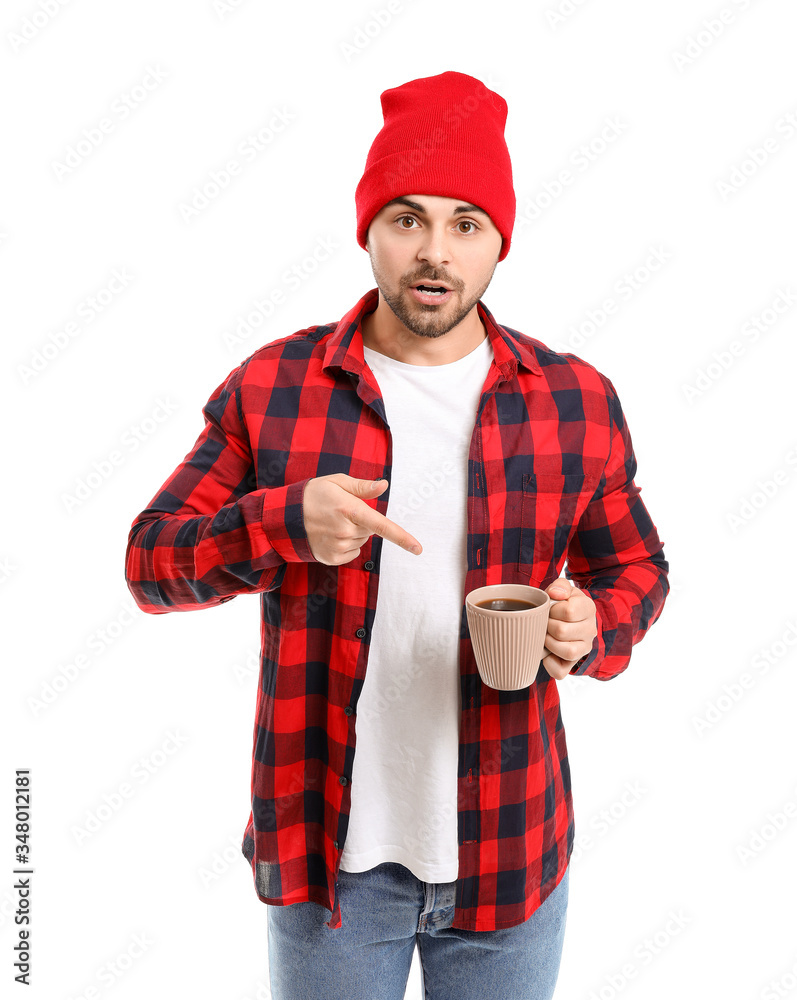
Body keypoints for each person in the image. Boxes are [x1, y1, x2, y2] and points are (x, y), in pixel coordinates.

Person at [125, 70, 669, 1000]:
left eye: (466, 224)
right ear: (367, 229)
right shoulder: (277, 386)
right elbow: (151, 562)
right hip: (330, 862)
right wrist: (283, 519)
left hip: (510, 852)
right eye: (406, 218)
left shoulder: (573, 400)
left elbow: (636, 568)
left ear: (498, 243)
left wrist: (595, 629)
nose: (433, 251)